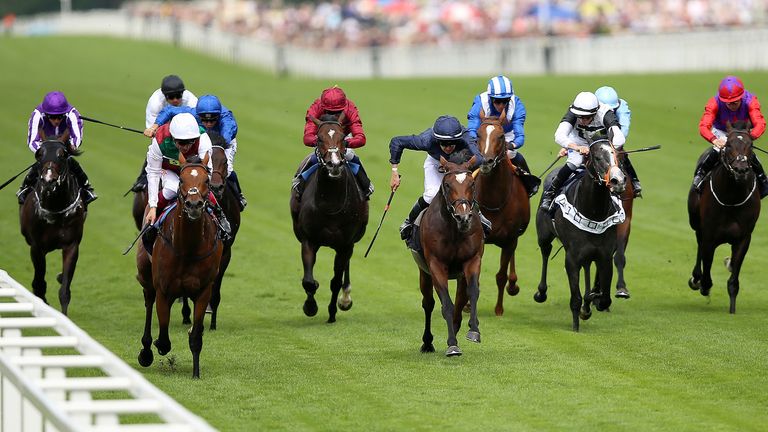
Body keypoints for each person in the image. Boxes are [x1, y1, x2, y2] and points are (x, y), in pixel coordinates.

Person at [389, 115, 490, 240]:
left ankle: (479, 215)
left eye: (452, 143)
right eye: (444, 144)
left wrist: (464, 169)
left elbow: (480, 159)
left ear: (458, 139)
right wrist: (394, 171)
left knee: (463, 191)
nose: (448, 148)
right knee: (431, 195)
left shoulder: (466, 138)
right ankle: (409, 221)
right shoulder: (426, 140)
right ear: (437, 140)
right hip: (436, 162)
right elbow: (397, 142)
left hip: (459, 164)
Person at [144, 94, 247, 210]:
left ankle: (238, 196)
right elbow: (169, 110)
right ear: (198, 115)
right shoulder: (192, 113)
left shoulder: (227, 121)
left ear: (219, 115)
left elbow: (223, 141)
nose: (208, 123)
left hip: (222, 143)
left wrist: (210, 149)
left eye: (213, 120)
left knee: (225, 170)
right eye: (204, 120)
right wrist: (154, 126)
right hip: (197, 138)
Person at [142, 113, 230, 242]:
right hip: (168, 170)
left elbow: (207, 172)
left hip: (194, 172)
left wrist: (195, 187)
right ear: (172, 137)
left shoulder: (203, 139)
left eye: (190, 142)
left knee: (200, 191)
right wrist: (153, 206)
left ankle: (220, 215)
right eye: (181, 142)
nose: (186, 146)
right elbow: (153, 172)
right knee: (171, 189)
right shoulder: (159, 141)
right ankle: (151, 222)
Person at [540, 91, 626, 211]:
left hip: (600, 143)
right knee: (573, 163)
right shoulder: (572, 112)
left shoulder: (606, 113)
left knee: (611, 165)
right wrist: (576, 147)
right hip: (578, 142)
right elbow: (559, 135)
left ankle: (620, 192)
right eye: (580, 117)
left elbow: (619, 137)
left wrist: (609, 148)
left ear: (595, 112)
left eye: (586, 117)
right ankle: (549, 195)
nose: (582, 120)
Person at [292, 86, 373, 200]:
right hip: (324, 138)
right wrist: (324, 142)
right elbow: (308, 137)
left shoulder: (350, 109)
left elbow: (360, 138)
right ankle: (299, 182)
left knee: (350, 155)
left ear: (344, 107)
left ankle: (366, 186)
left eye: (338, 112)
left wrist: (343, 143)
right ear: (323, 107)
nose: (334, 116)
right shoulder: (315, 108)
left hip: (342, 137)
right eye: (329, 112)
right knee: (315, 156)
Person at [17, 91, 97, 205]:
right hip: (44, 149)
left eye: (59, 117)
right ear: (46, 114)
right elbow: (32, 141)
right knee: (38, 166)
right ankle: (24, 188)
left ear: (64, 113)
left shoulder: (73, 114)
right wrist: (45, 153)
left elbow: (76, 139)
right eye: (52, 117)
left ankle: (86, 188)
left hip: (63, 150)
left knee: (72, 163)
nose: (56, 121)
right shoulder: (37, 115)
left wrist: (64, 151)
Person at [694, 75, 768, 197]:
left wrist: (751, 136)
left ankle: (763, 181)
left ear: (742, 97)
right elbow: (703, 126)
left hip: (743, 131)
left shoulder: (751, 101)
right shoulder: (714, 102)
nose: (732, 105)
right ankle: (700, 175)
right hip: (722, 131)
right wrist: (714, 139)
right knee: (718, 149)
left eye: (735, 102)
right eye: (727, 103)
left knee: (746, 151)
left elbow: (760, 123)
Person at [467, 75, 539, 196]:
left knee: (510, 153)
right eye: (497, 101)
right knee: (473, 153)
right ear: (490, 98)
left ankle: (527, 183)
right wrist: (475, 141)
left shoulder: (518, 107)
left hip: (506, 133)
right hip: (485, 133)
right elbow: (472, 128)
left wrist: (511, 145)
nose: (501, 105)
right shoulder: (480, 102)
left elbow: (520, 136)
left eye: (505, 101)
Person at [130, 75, 198, 192]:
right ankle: (143, 177)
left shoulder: (192, 101)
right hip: (164, 130)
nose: (175, 100)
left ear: (183, 93)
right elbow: (154, 133)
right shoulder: (155, 103)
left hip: (187, 130)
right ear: (164, 95)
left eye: (178, 96)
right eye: (171, 97)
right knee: (156, 148)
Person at [595, 85, 642, 196]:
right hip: (598, 132)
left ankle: (635, 181)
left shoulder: (622, 109)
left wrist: (612, 145)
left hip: (615, 133)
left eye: (612, 110)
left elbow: (623, 132)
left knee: (621, 154)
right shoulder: (592, 107)